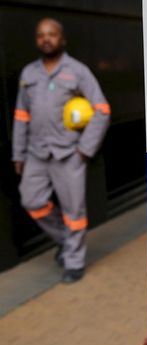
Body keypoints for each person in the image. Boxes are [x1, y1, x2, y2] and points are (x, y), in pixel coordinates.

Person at [12, 18, 110, 283]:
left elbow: (102, 109)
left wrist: (85, 149)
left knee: (74, 212)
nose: (46, 39)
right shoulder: (28, 74)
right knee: (31, 201)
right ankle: (67, 243)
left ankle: (74, 262)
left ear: (62, 39)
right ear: (36, 40)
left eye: (52, 34)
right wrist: (18, 153)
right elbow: (21, 115)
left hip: (69, 154)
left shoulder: (77, 71)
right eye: (41, 35)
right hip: (36, 152)